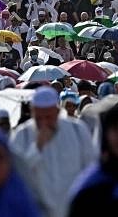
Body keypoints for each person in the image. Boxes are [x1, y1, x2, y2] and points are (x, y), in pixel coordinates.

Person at [10, 86, 97, 217]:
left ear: (57, 112)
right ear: (33, 112)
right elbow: (18, 175)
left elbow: (90, 170)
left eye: (48, 117)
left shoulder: (77, 130)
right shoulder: (23, 135)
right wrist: (37, 147)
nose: (44, 122)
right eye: (39, 118)